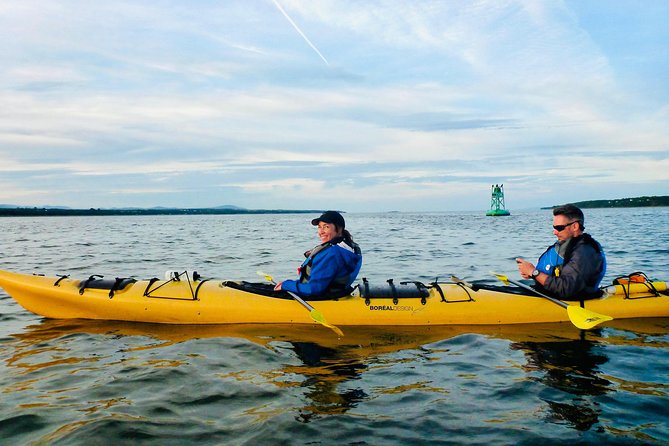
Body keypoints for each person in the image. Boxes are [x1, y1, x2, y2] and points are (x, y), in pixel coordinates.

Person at [516, 204, 606, 300]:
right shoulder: (568, 245)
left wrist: (534, 272)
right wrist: (532, 275)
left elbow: (567, 288)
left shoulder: (584, 252)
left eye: (559, 228)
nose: (554, 232)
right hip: (547, 295)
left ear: (575, 226)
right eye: (554, 227)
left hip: (567, 301)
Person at [274, 211, 362, 299]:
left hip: (323, 298)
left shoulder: (332, 253)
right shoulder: (349, 247)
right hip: (340, 293)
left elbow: (314, 289)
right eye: (319, 227)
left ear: (339, 229)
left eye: (326, 227)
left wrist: (286, 285)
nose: (321, 232)